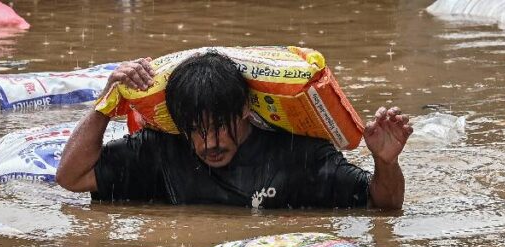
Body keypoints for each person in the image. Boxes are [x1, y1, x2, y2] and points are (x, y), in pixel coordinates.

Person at [56, 51, 413, 210]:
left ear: (245, 111)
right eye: (196, 130)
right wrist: (106, 103)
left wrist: (385, 163)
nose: (209, 143)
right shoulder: (160, 150)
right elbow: (72, 177)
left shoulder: (297, 155)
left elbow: (382, 205)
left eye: (218, 127)